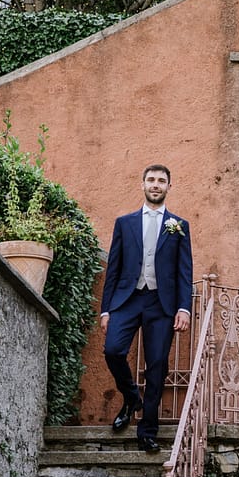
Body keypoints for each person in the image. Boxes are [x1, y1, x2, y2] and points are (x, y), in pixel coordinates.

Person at [100, 164, 193, 453]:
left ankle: (147, 430)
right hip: (127, 300)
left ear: (169, 187)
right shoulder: (124, 223)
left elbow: (184, 271)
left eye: (161, 181)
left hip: (161, 303)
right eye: (151, 180)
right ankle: (131, 398)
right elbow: (113, 269)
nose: (156, 184)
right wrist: (106, 310)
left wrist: (184, 308)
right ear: (142, 184)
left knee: (157, 366)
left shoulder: (179, 225)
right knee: (113, 350)